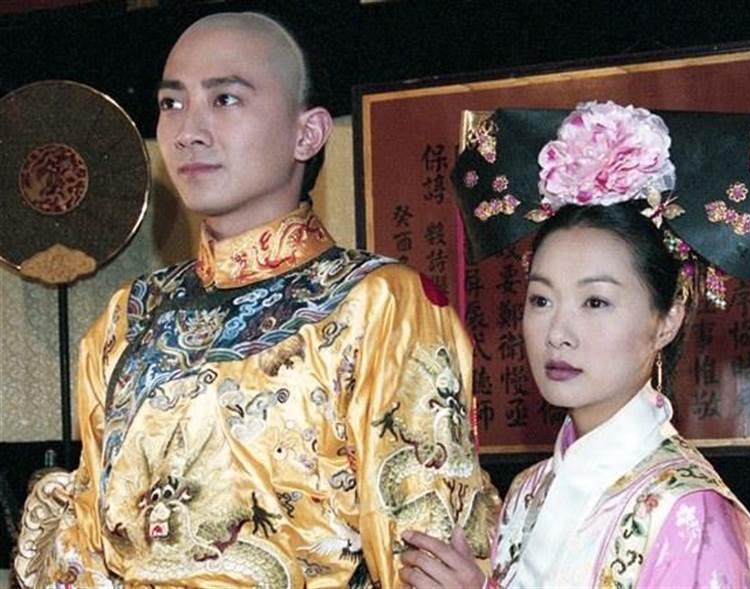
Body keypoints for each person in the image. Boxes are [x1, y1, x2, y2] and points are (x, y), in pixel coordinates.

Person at [15, 12, 498, 588]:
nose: (188, 131)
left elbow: (423, 547)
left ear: (307, 134)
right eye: (172, 103)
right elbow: (89, 546)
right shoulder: (131, 316)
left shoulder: (377, 304)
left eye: (224, 99)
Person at [399, 101, 750, 588]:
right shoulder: (526, 493)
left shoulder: (687, 511)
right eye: (541, 299)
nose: (558, 332)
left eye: (595, 302)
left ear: (668, 320)